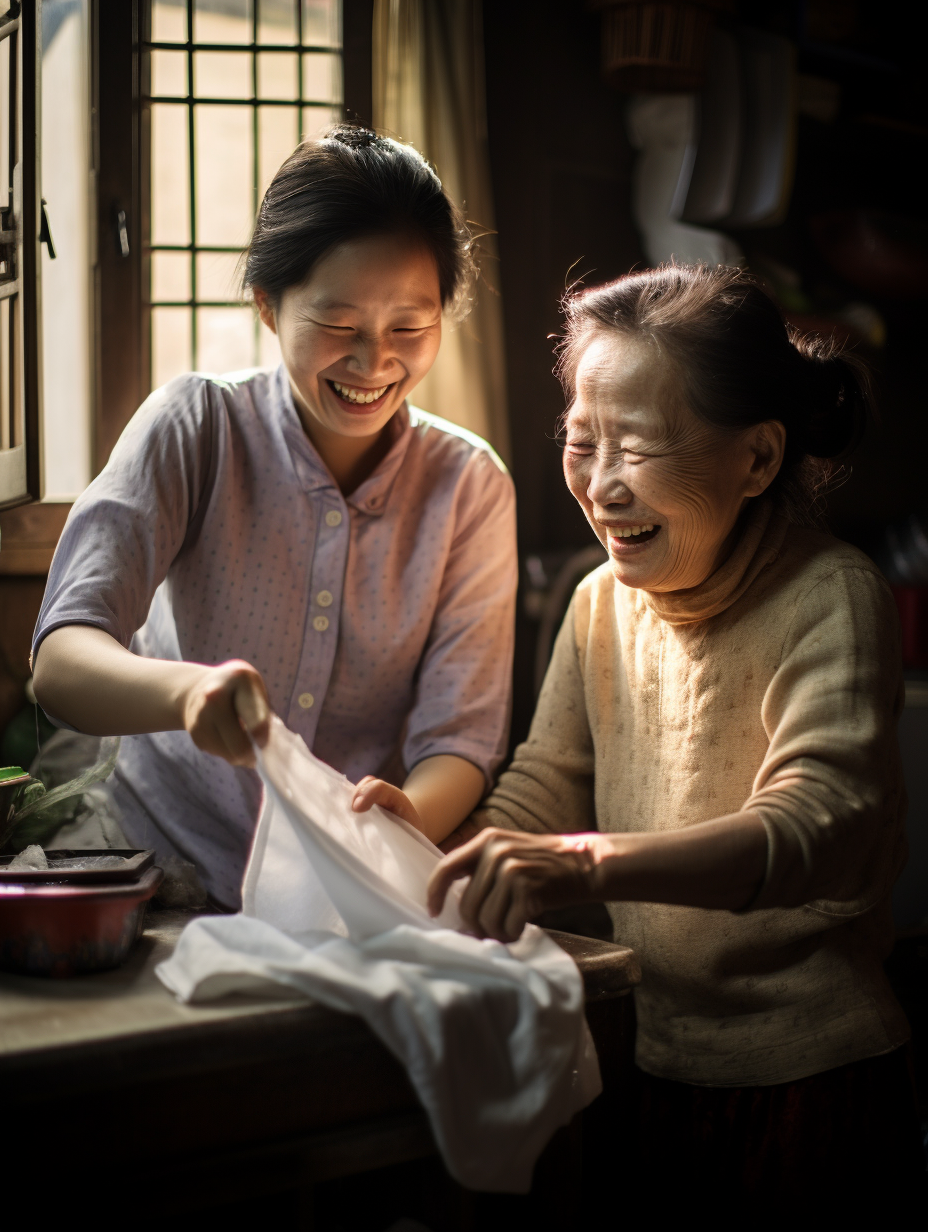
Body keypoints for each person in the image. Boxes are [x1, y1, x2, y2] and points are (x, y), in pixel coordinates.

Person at [426, 265, 924, 1203]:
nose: (602, 487)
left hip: (809, 1082)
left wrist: (581, 866)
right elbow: (546, 786)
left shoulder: (833, 598)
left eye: (640, 450)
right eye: (583, 444)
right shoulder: (598, 603)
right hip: (638, 1058)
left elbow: (813, 826)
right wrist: (417, 845)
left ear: (758, 460)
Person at [31, 126, 516, 908]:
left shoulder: (470, 487)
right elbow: (61, 664)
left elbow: (459, 738)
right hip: (144, 859)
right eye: (339, 324)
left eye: (409, 328)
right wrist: (188, 695)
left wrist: (407, 814)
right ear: (267, 302)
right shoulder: (197, 427)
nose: (373, 363)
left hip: (343, 886)